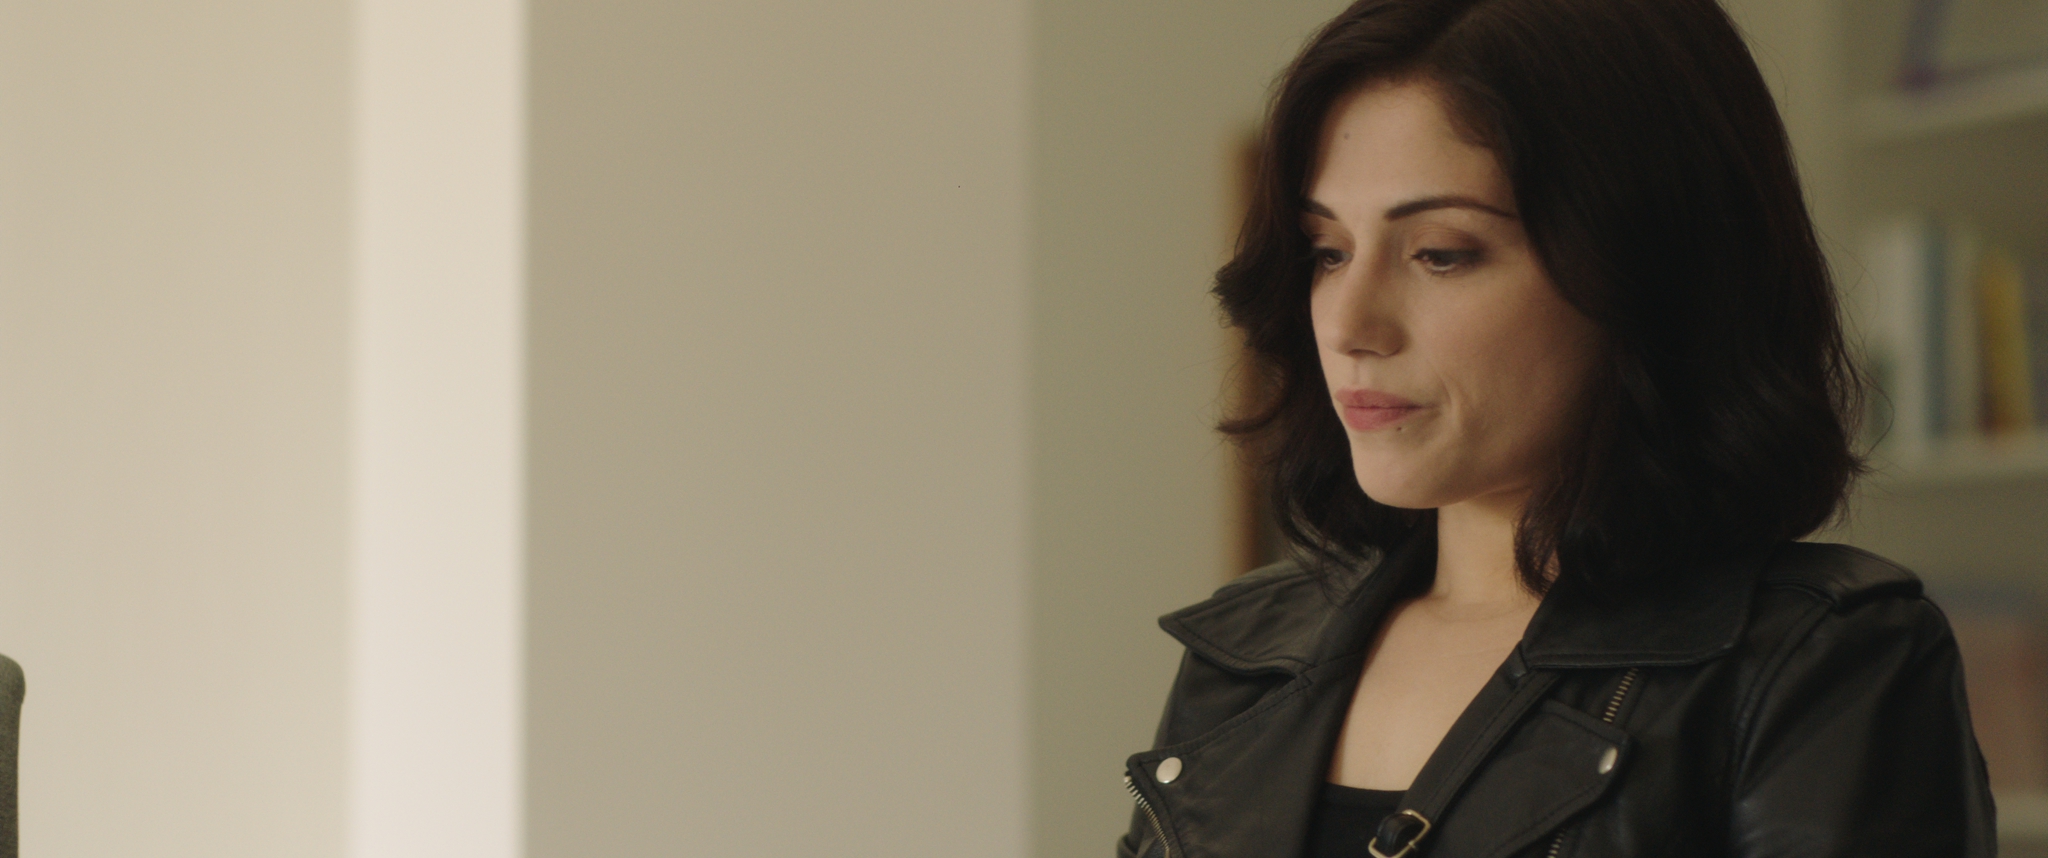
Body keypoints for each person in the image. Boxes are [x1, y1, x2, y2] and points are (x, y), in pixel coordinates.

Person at [1117, 0, 1996, 856]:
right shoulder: (1246, 657)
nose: (1349, 325)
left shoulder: (1821, 664)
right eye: (1328, 253)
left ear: (1643, 269)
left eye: (1441, 253)